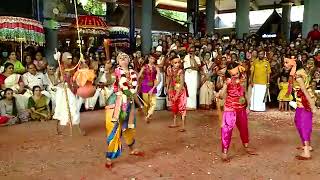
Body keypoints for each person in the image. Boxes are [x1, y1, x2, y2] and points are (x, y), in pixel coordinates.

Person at [105, 52, 143, 169]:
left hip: (129, 104)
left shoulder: (134, 73)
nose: (123, 59)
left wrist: (140, 105)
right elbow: (109, 81)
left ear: (129, 59)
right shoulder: (116, 72)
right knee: (114, 128)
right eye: (120, 58)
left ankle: (132, 148)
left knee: (129, 127)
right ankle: (109, 157)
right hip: (116, 102)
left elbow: (134, 92)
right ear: (118, 61)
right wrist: (106, 71)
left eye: (125, 57)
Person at [216, 62, 256, 162]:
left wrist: (247, 106)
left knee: (244, 127)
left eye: (236, 73)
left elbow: (244, 92)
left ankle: (246, 146)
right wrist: (223, 87)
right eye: (233, 75)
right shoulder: (228, 80)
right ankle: (224, 152)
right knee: (226, 130)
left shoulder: (243, 77)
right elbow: (221, 95)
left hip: (241, 107)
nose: (235, 76)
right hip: (230, 108)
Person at [284, 58, 318, 160]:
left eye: (286, 63)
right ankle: (307, 145)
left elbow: (304, 90)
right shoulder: (300, 71)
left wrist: (312, 105)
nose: (285, 64)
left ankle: (306, 151)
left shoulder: (297, 75)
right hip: (302, 101)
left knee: (303, 124)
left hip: (304, 102)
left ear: (293, 64)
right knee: (299, 121)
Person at [54, 52, 85, 136]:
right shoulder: (59, 68)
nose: (70, 60)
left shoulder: (73, 67)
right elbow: (55, 81)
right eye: (68, 58)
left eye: (71, 58)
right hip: (62, 91)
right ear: (63, 59)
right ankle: (58, 129)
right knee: (61, 109)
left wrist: (82, 61)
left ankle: (78, 128)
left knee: (74, 108)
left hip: (72, 90)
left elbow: (82, 72)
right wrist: (61, 80)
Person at [167, 57, 188, 132]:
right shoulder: (170, 70)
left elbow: (182, 83)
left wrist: (177, 95)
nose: (177, 64)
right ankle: (175, 122)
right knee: (174, 107)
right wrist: (168, 89)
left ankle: (183, 125)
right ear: (172, 63)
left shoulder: (181, 71)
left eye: (178, 62)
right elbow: (169, 80)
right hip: (173, 90)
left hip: (180, 91)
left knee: (182, 107)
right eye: (175, 63)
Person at [138, 54, 160, 123]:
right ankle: (147, 114)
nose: (151, 60)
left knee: (153, 102)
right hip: (145, 84)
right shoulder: (144, 66)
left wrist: (153, 87)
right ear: (148, 59)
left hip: (153, 84)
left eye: (153, 59)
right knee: (146, 102)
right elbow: (138, 76)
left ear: (155, 60)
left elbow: (158, 78)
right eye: (150, 58)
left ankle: (149, 115)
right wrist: (136, 84)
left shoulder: (156, 67)